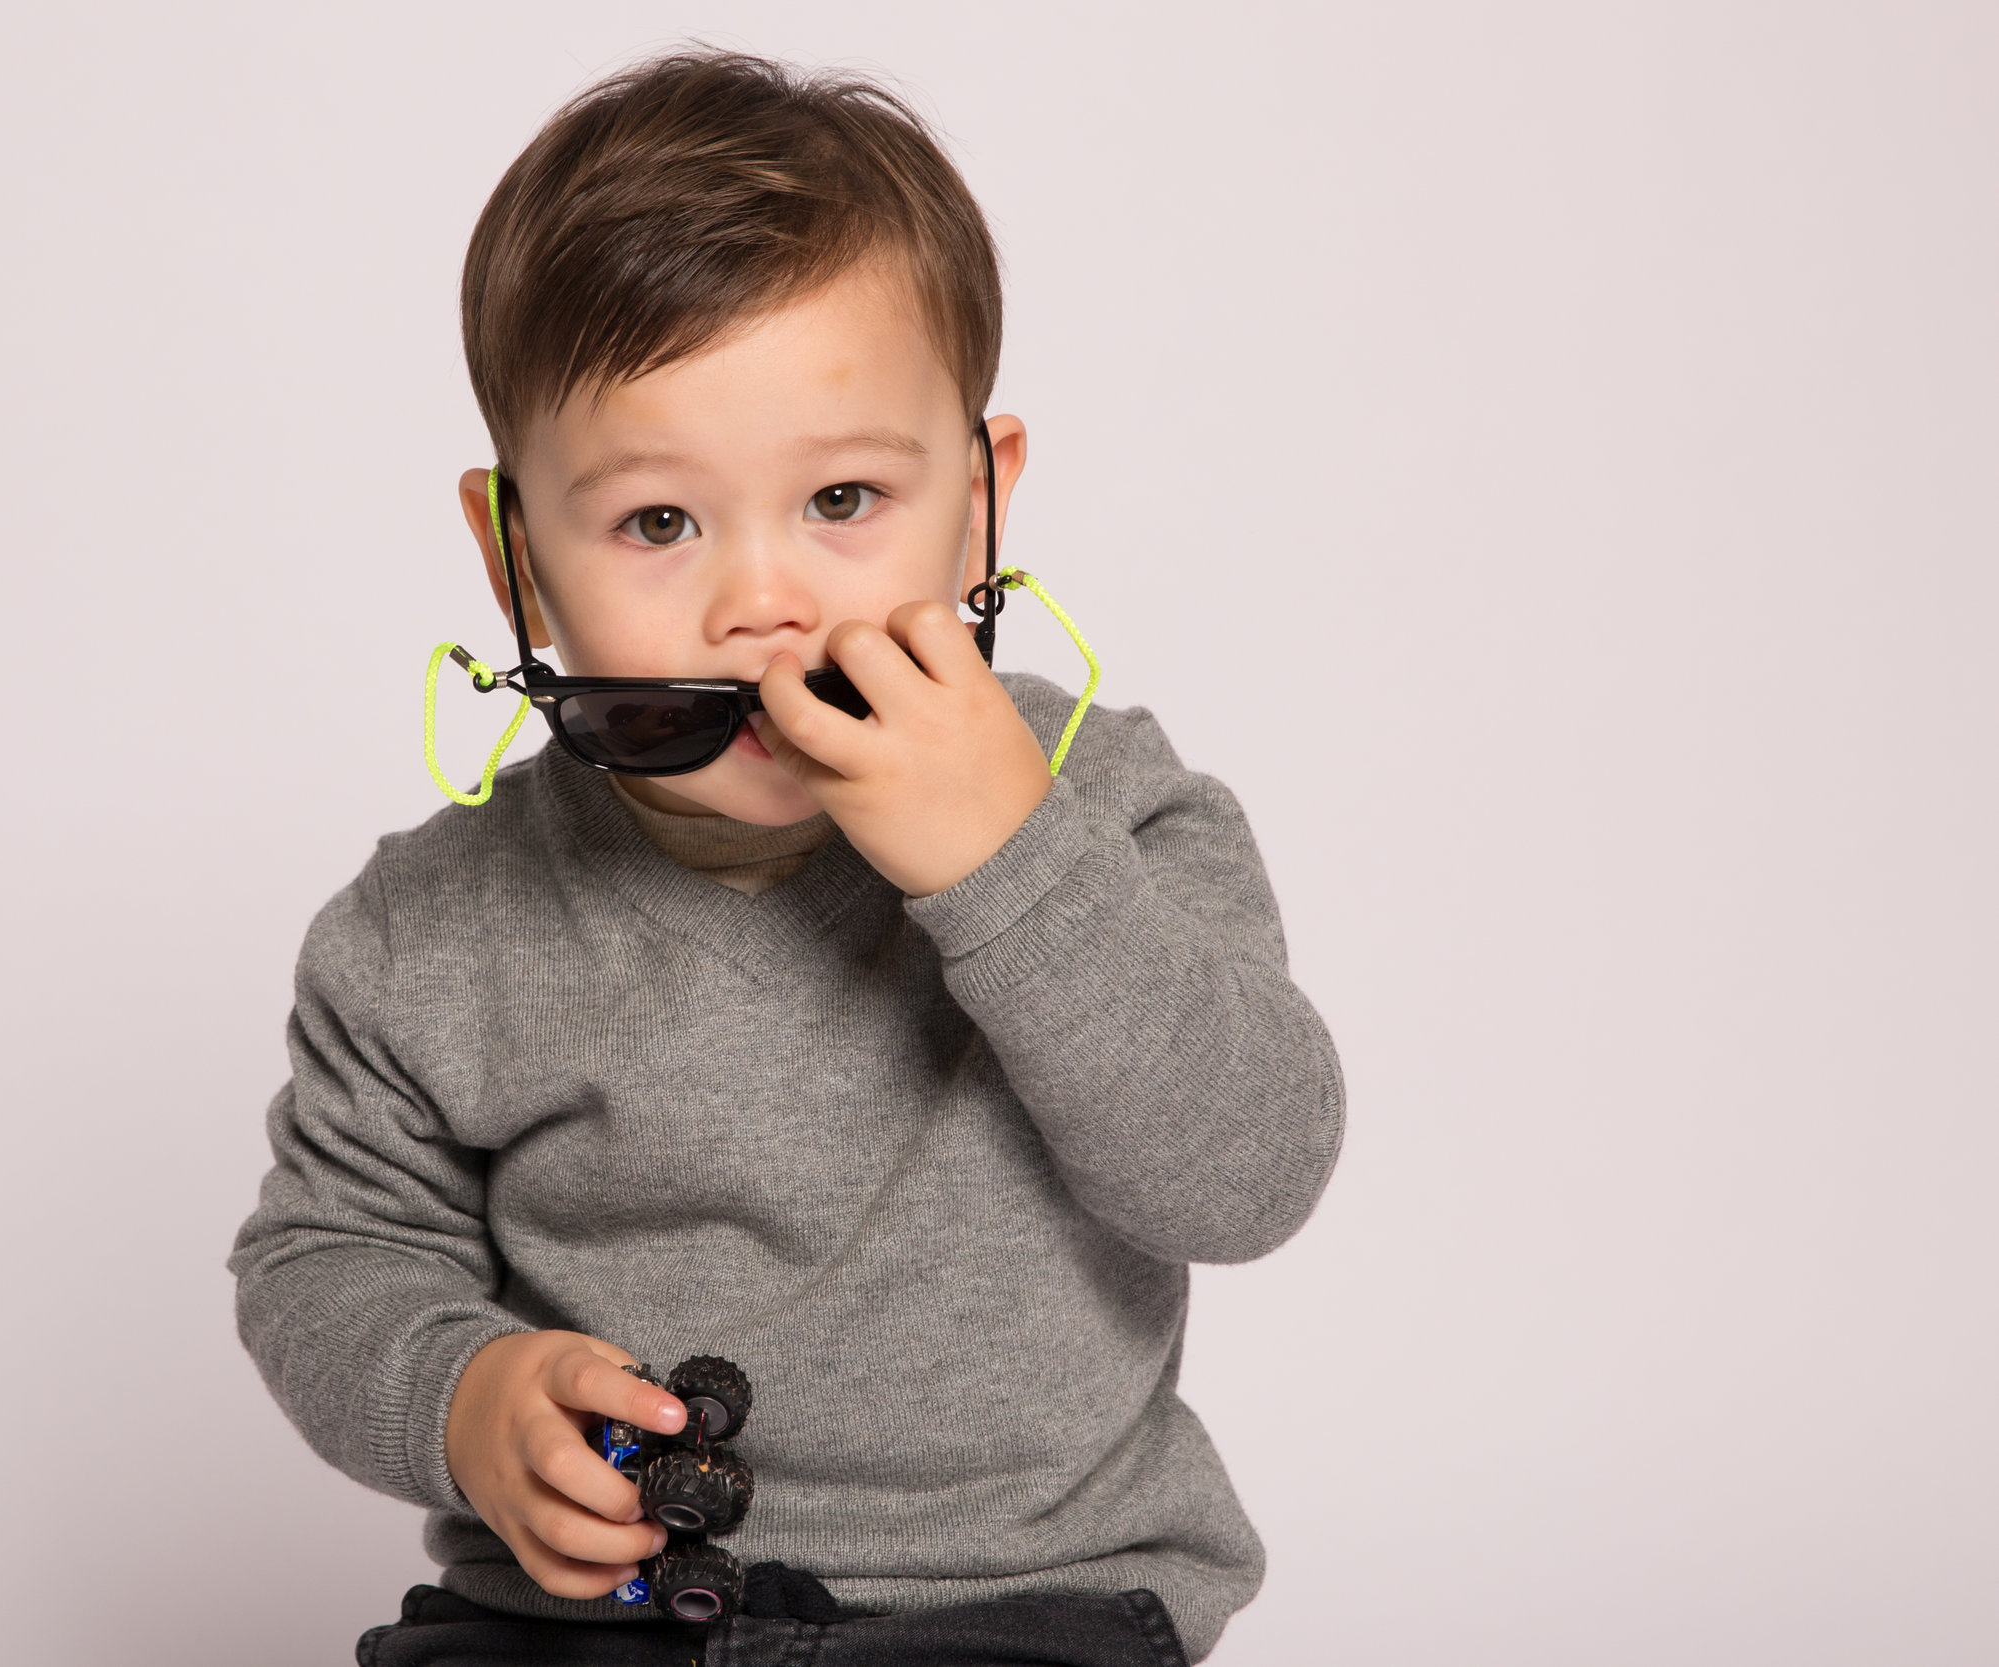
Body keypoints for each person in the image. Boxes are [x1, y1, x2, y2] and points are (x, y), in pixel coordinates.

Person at [229, 50, 1345, 1667]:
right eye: (660, 524)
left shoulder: (1102, 804)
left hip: (1024, 1619)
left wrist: (1005, 855)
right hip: (577, 1626)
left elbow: (1248, 1175)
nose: (762, 603)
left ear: (979, 504)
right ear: (513, 555)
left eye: (842, 497)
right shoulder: (429, 926)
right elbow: (327, 1257)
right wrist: (463, 1397)